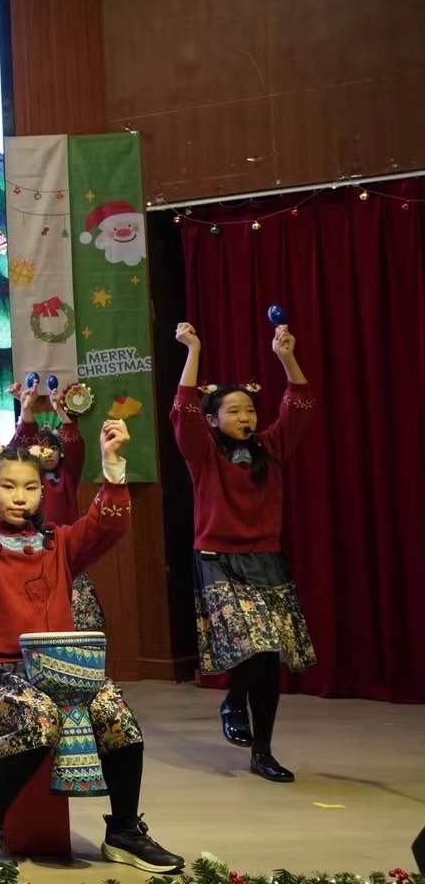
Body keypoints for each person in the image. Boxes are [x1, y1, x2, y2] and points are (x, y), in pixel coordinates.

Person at [0, 420, 184, 874]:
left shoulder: (59, 544)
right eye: (7, 486)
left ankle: (124, 830)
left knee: (118, 717)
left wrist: (112, 462)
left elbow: (108, 525)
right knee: (40, 716)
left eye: (30, 487)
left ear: (42, 492)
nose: (20, 497)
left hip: (58, 673)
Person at [172, 321, 316, 783]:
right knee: (253, 643)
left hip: (266, 559)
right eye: (233, 411)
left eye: (250, 409)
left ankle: (262, 750)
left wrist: (286, 357)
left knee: (269, 653)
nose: (245, 417)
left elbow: (300, 404)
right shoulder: (203, 454)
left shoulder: (271, 448)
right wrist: (193, 349)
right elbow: (184, 409)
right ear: (214, 420)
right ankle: (234, 702)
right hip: (217, 559)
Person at [8, 378, 104, 631]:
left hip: (66, 551)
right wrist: (26, 410)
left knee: (81, 623)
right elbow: (18, 448)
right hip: (33, 553)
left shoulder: (67, 476)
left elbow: (75, 444)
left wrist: (60, 411)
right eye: (41, 448)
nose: (48, 452)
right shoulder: (30, 480)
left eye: (53, 448)